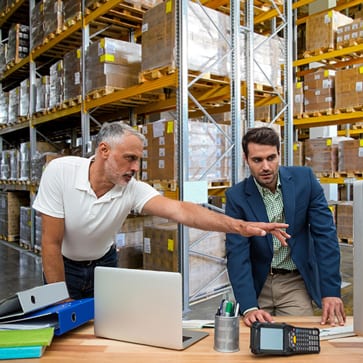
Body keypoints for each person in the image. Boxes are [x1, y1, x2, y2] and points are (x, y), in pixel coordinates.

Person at [32, 121, 289, 300]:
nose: (135, 167)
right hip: (64, 264)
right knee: (62, 328)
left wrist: (240, 226)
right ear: (104, 151)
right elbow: (50, 243)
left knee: (101, 330)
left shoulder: (131, 188)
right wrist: (60, 299)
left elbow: (182, 211)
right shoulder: (61, 172)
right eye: (130, 158)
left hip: (104, 264)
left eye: (138, 161)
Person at [225, 126, 346, 327]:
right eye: (257, 160)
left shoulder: (305, 180)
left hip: (293, 282)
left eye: (271, 158)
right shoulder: (236, 197)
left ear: (280, 155)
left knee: (301, 341)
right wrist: (248, 306)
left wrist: (330, 291)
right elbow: (237, 253)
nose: (266, 167)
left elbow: (325, 237)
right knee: (252, 345)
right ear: (246, 160)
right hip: (257, 284)